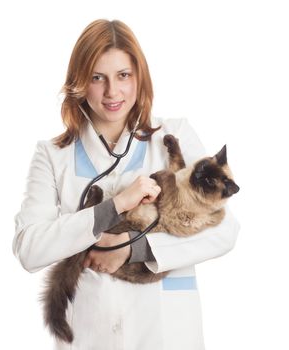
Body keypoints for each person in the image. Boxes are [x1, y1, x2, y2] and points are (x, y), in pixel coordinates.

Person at [12, 19, 240, 350]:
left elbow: (224, 231)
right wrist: (112, 207)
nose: (112, 93)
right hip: (92, 334)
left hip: (166, 332)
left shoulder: (173, 134)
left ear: (139, 76)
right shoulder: (52, 155)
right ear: (79, 82)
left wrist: (133, 249)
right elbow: (30, 249)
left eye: (123, 75)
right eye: (97, 77)